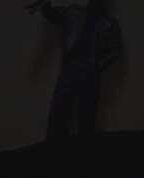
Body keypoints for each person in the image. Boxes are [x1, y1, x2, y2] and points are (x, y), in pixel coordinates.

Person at [28, 0, 123, 138]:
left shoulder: (110, 22)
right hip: (70, 66)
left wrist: (97, 66)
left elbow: (117, 49)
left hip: (90, 71)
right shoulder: (75, 11)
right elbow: (54, 15)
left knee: (86, 118)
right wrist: (45, 6)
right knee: (58, 114)